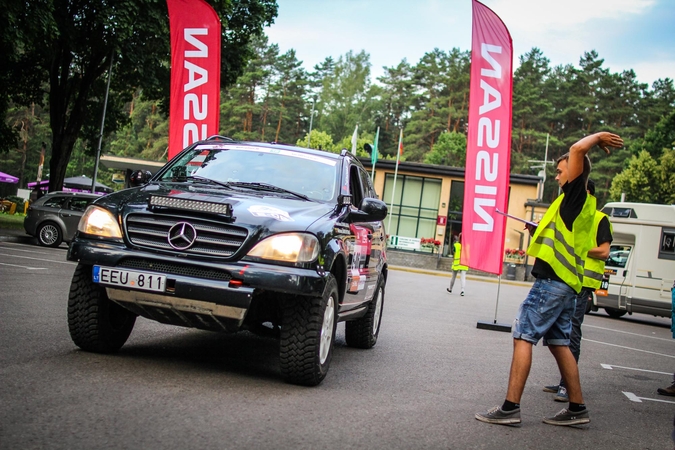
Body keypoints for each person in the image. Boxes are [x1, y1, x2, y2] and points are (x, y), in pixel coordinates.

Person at [475, 131, 624, 427]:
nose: (556, 177)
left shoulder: (576, 195)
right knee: (559, 343)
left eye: (559, 171)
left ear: (576, 171)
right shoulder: (569, 204)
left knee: (523, 335)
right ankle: (577, 408)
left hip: (552, 283)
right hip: (567, 284)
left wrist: (597, 138)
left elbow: (577, 148)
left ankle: (510, 408)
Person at [543, 179, 613, 402]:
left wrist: (579, 247)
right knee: (559, 331)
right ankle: (565, 381)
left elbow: (604, 252)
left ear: (588, 193)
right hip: (567, 278)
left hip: (583, 283)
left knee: (571, 332)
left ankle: (567, 387)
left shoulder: (601, 219)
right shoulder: (575, 216)